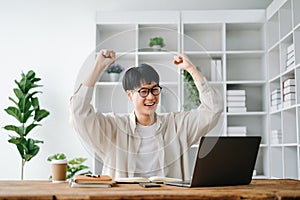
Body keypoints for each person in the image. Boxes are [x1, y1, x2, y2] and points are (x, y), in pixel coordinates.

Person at [70, 49, 223, 180]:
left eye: (154, 90)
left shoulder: (177, 126)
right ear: (129, 95)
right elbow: (78, 112)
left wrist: (191, 69)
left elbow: (214, 108)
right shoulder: (113, 127)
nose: (151, 97)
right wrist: (98, 67)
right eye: (143, 91)